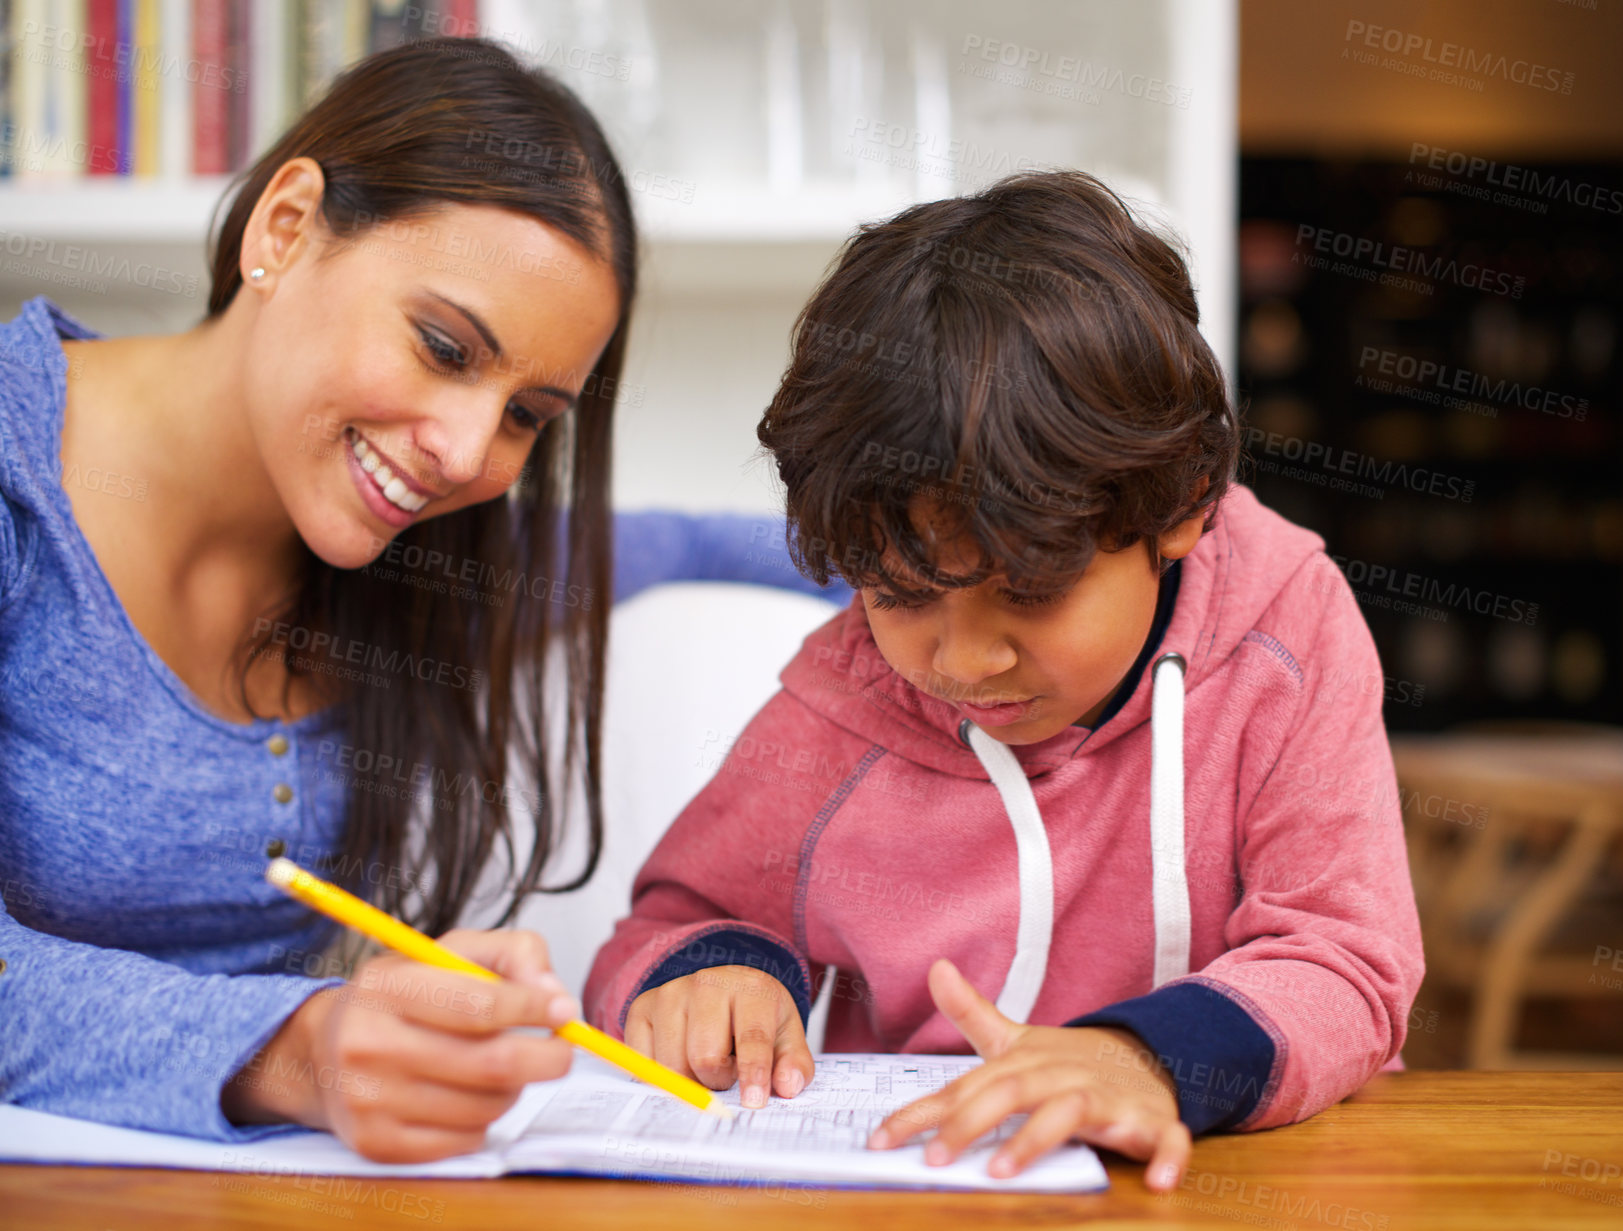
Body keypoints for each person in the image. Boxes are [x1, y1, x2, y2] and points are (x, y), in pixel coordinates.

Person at [0, 37, 841, 1162]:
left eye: (527, 416)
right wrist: (300, 1047)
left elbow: (703, 539)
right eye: (444, 346)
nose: (462, 452)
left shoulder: (434, 565)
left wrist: (1072, 553)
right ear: (285, 228)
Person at [584, 170, 1425, 1188]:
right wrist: (711, 975)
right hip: (923, 1187)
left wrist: (1142, 1058)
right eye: (900, 595)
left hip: (1227, 1188)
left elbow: (1346, 962)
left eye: (1027, 591)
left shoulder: (1287, 633)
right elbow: (679, 916)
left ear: (1185, 502)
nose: (964, 661)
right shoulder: (844, 702)